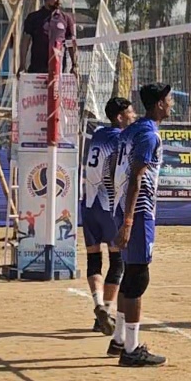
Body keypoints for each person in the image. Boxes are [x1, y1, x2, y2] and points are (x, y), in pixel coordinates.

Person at [113, 83, 171, 367]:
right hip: (138, 212)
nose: (172, 104)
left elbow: (115, 167)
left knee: (129, 274)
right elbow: (136, 177)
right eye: (169, 99)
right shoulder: (147, 134)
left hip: (123, 208)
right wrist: (128, 219)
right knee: (138, 276)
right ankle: (132, 349)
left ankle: (119, 339)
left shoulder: (129, 132)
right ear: (159, 103)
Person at [81, 97, 133, 336]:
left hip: (88, 204)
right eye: (130, 113)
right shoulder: (118, 138)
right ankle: (107, 310)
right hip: (108, 207)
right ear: (120, 116)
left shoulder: (98, 134)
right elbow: (116, 171)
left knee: (94, 259)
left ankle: (98, 305)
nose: (133, 117)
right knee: (117, 261)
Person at [22, 0, 77, 75]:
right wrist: (22, 65)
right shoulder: (33, 18)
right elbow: (25, 42)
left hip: (58, 71)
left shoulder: (66, 18)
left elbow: (71, 43)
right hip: (36, 70)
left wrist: (75, 65)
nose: (59, 0)